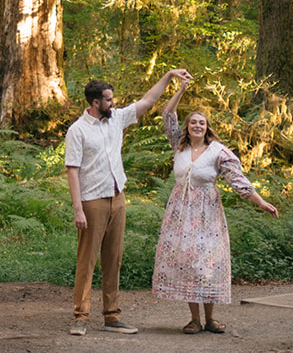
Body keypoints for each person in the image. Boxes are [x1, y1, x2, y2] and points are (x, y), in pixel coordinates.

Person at [64, 67, 192, 335]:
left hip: (117, 198)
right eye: (108, 99)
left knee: (114, 259)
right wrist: (78, 209)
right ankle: (81, 317)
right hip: (92, 201)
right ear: (95, 102)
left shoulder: (116, 119)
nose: (113, 103)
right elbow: (72, 170)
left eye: (113, 98)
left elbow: (147, 101)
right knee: (87, 261)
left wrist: (168, 77)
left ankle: (112, 316)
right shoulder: (78, 131)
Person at [151, 77, 278, 334]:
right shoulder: (179, 145)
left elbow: (238, 181)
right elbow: (167, 114)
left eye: (202, 122)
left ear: (207, 127)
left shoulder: (218, 151)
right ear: (186, 127)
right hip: (179, 212)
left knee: (205, 263)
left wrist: (260, 201)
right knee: (187, 262)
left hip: (207, 213)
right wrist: (181, 89)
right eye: (193, 122)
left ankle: (210, 319)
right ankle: (194, 319)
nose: (197, 125)